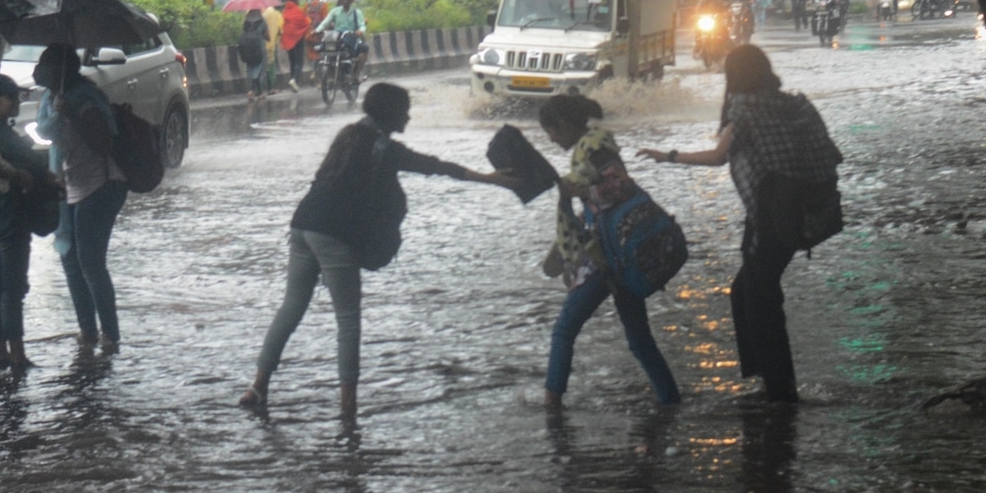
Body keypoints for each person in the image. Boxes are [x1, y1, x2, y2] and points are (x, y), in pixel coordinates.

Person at [239, 83, 520, 419]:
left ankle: (258, 386)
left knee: (291, 308)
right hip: (334, 233)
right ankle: (347, 406)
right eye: (405, 110)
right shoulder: (386, 149)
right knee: (348, 321)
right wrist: (490, 179)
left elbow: (327, 178)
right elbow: (434, 165)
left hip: (303, 224)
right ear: (390, 113)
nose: (408, 116)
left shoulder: (349, 135)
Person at [638, 45, 841, 402]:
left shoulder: (744, 111)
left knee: (760, 297)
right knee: (746, 290)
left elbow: (718, 157)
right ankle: (767, 377)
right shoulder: (797, 106)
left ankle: (779, 390)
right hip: (803, 214)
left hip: (770, 215)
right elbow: (830, 155)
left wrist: (668, 156)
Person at [538, 94, 681, 409]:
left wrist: (577, 191)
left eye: (550, 131)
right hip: (622, 255)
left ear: (562, 124)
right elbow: (599, 205)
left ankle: (552, 408)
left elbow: (619, 187)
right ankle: (671, 402)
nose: (550, 139)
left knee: (565, 329)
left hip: (611, 257)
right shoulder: (592, 147)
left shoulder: (594, 148)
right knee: (639, 340)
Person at [33, 43, 128, 353]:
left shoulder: (86, 98)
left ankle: (110, 336)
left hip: (100, 186)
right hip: (67, 185)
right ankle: (88, 331)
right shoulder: (50, 100)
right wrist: (58, 113)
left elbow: (105, 140)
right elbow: (46, 133)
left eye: (44, 66)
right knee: (70, 261)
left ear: (60, 70)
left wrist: (73, 113)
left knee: (90, 263)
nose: (36, 72)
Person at [0, 75, 54, 371]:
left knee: (2, 284)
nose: (15, 103)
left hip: (5, 213)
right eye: (10, 98)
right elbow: (21, 162)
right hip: (12, 213)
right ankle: (17, 354)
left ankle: (2, 352)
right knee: (13, 286)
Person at [316, 0, 369, 81]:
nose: (345, 1)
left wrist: (360, 31)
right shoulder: (335, 11)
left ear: (352, 0)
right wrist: (317, 30)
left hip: (351, 37)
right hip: (337, 37)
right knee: (322, 47)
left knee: (364, 48)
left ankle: (356, 74)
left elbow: (362, 25)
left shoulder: (357, 13)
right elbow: (325, 22)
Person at [280, 0, 311, 91]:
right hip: (298, 38)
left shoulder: (285, 11)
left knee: (292, 61)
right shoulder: (298, 11)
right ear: (294, 0)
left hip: (288, 39)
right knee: (299, 61)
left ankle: (293, 79)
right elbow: (306, 22)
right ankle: (295, 80)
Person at [239, 9, 269, 100]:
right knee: (259, 70)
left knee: (250, 70)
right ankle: (254, 91)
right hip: (259, 48)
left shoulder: (246, 22)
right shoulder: (262, 21)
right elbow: (267, 35)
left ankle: (255, 91)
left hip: (247, 48)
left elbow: (243, 32)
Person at [303, 0, 330, 80]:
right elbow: (326, 20)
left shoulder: (307, 5)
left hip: (308, 34)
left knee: (311, 55)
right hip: (318, 34)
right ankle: (315, 74)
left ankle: (314, 73)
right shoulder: (323, 5)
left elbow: (303, 18)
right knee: (319, 55)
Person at [262, 0, 285, 92]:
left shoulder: (254, 13)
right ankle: (271, 88)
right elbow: (281, 30)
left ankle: (257, 89)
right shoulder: (276, 14)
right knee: (271, 66)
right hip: (271, 44)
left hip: (258, 44)